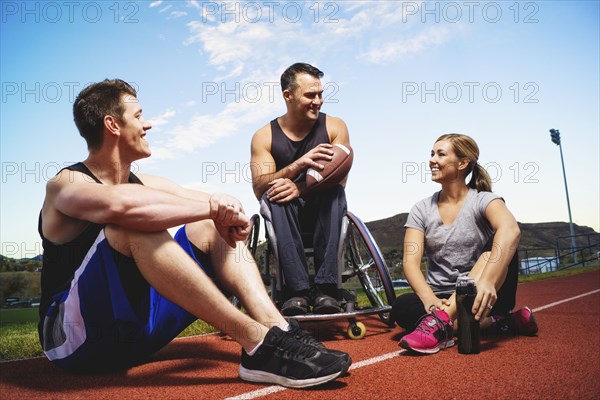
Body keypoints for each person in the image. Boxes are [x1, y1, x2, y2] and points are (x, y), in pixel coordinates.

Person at [37, 79, 351, 388]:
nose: (148, 125)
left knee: (206, 226)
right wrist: (214, 208)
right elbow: (121, 206)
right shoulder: (66, 184)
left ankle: (279, 331)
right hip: (75, 341)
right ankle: (257, 343)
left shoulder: (146, 181)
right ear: (113, 125)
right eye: (138, 116)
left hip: (139, 336)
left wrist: (225, 212)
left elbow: (220, 203)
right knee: (134, 225)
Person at [391, 133, 538, 354]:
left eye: (440, 154)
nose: (432, 160)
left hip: (486, 292)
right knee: (401, 307)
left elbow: (511, 230)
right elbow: (410, 262)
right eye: (431, 154)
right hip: (440, 295)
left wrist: (488, 280)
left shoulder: (484, 200)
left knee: (494, 250)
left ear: (462, 163)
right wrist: (430, 300)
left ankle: (440, 324)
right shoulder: (421, 209)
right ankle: (497, 323)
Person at [250, 63, 351, 316]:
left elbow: (341, 179)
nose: (318, 101)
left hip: (324, 208)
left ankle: (327, 289)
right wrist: (297, 165)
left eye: (320, 94)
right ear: (288, 95)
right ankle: (296, 292)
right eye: (310, 95)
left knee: (334, 192)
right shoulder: (264, 136)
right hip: (285, 214)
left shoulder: (334, 126)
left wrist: (300, 188)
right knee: (274, 194)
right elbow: (259, 187)